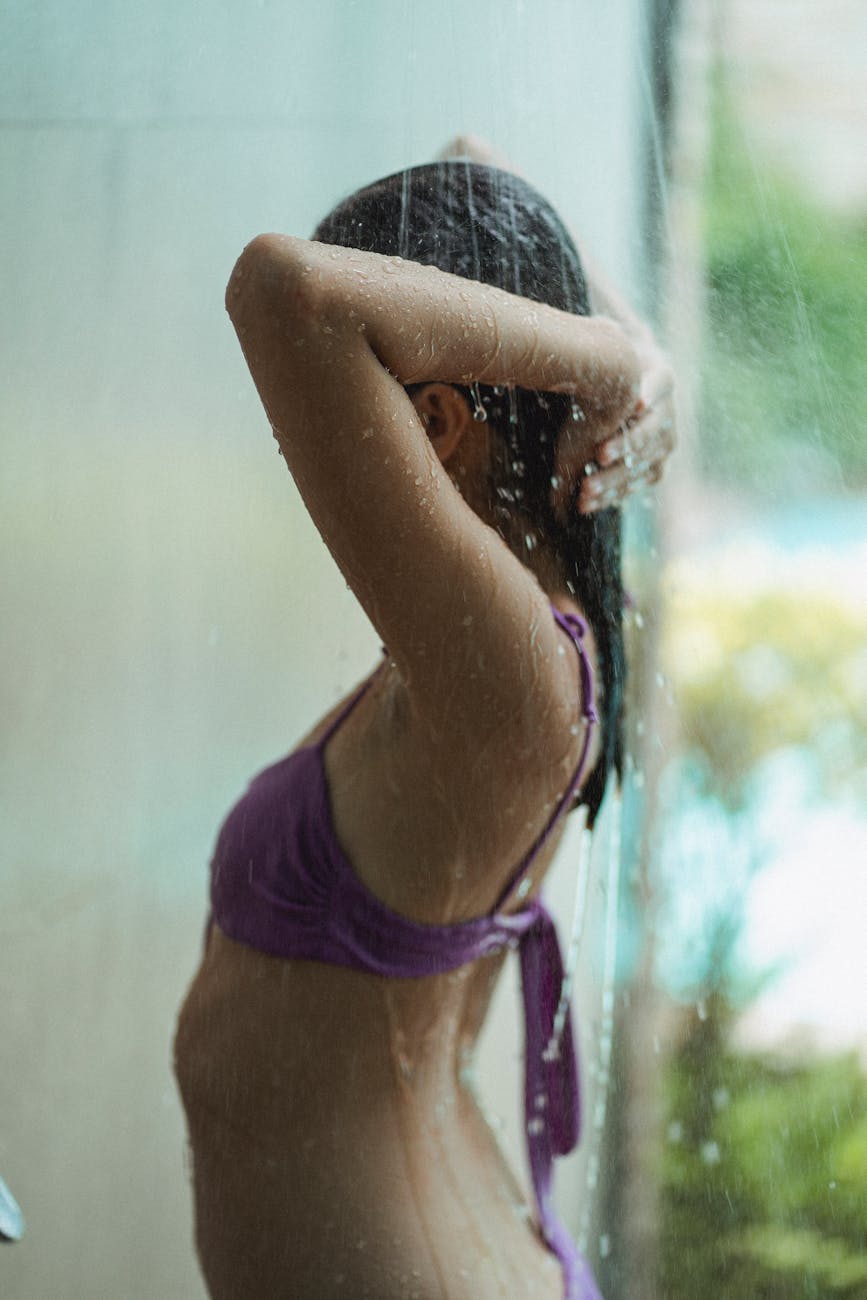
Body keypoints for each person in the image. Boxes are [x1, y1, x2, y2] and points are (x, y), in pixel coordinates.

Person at [173, 142, 674, 1300]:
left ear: (438, 421)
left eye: (364, 414)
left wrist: (609, 359)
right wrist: (643, 359)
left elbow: (285, 291)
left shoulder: (515, 674)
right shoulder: (511, 648)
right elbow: (468, 159)